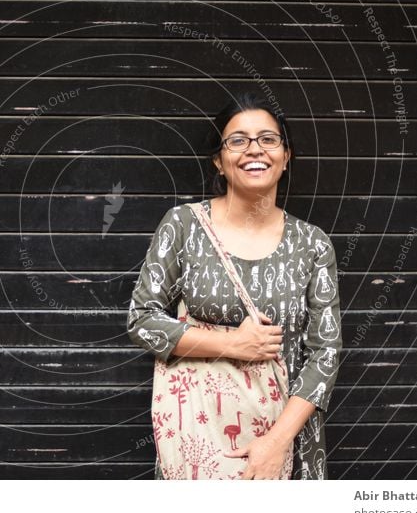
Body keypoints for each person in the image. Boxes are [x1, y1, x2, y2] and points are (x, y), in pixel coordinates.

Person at [127, 91, 342, 480]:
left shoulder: (312, 243)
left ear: (286, 156)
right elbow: (142, 321)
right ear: (219, 160)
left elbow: (325, 354)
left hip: (289, 440)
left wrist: (276, 443)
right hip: (199, 438)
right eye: (237, 140)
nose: (253, 150)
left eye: (268, 139)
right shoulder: (183, 226)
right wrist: (233, 344)